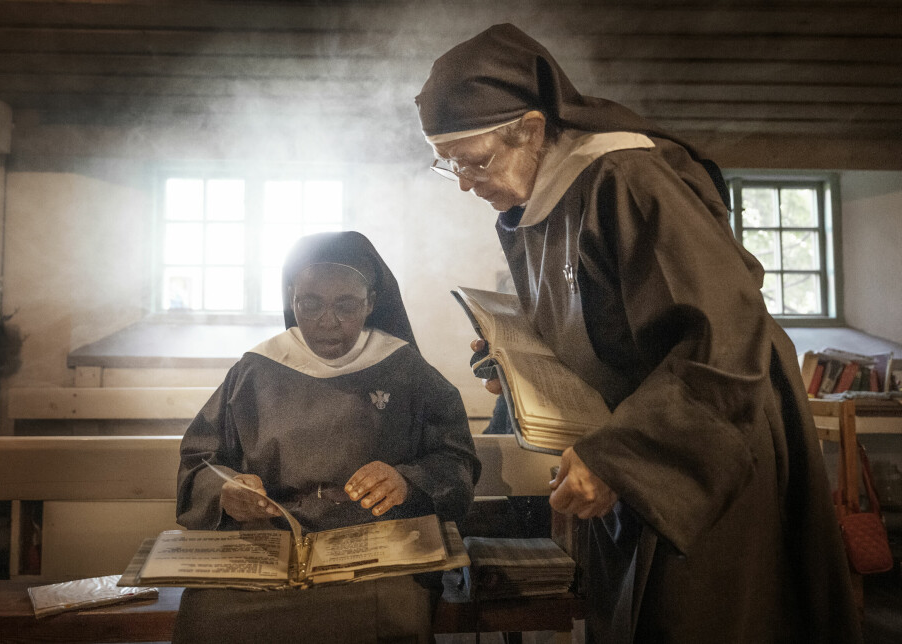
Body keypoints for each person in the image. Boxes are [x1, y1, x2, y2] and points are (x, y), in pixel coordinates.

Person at [415, 23, 861, 644]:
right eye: (449, 165)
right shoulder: (535, 206)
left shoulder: (625, 177)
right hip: (637, 443)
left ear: (534, 130)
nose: (464, 181)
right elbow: (593, 333)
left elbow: (722, 335)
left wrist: (620, 458)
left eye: (474, 160)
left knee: (697, 621)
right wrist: (517, 367)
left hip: (706, 443)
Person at [173, 230, 480, 643]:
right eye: (310, 304)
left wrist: (407, 480)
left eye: (346, 306)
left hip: (378, 553)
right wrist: (227, 491)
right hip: (268, 548)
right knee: (208, 615)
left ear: (371, 302)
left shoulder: (407, 371)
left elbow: (454, 459)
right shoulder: (255, 371)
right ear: (291, 298)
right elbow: (201, 460)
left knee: (393, 616)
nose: (327, 321)